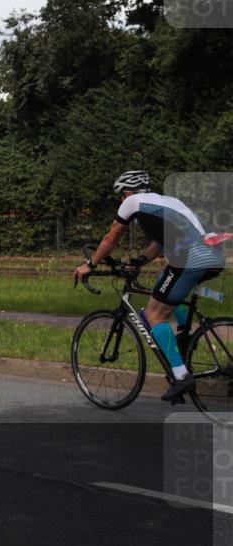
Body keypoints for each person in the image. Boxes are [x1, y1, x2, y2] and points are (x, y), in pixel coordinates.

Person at [73, 170, 225, 403]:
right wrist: (140, 261)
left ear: (126, 191)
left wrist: (90, 264)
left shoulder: (132, 202)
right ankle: (184, 340)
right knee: (162, 290)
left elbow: (109, 240)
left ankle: (181, 375)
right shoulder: (167, 201)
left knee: (154, 314)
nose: (121, 201)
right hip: (212, 253)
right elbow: (160, 243)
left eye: (121, 196)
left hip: (189, 257)